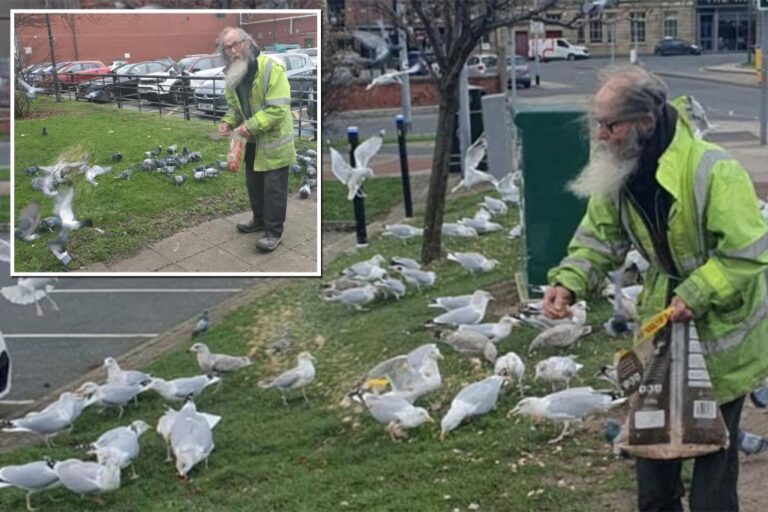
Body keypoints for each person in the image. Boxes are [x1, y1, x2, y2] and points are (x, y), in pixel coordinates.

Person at [541, 65, 768, 511]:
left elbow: (748, 252)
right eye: (598, 124)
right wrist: (567, 282)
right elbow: (599, 236)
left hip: (722, 339)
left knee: (712, 485)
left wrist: (698, 293)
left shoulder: (713, 170)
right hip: (663, 334)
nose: (602, 135)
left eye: (611, 124)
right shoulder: (622, 170)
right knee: (653, 476)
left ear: (646, 121)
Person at [217, 27, 296, 252]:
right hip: (250, 141)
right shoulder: (232, 74)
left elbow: (278, 109)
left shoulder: (271, 68)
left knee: (273, 190)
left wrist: (248, 127)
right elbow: (235, 108)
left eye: (236, 44)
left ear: (247, 42)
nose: (233, 50)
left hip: (274, 141)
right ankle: (259, 220)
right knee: (254, 185)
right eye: (228, 47)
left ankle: (273, 232)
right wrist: (228, 122)